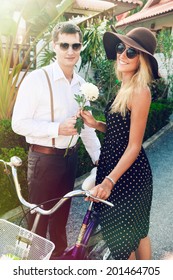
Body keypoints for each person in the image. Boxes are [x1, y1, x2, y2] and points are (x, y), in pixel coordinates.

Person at [12, 22, 101, 258]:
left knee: (61, 219)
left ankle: (59, 263)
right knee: (38, 221)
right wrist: (57, 128)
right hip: (43, 159)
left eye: (75, 45)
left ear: (81, 47)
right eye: (64, 45)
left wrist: (100, 160)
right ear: (55, 46)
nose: (70, 50)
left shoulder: (82, 85)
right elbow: (18, 123)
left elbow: (87, 129)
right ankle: (31, 266)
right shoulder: (36, 79)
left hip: (69, 160)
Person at [81, 27, 161, 260]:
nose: (122, 55)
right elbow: (120, 131)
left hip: (128, 176)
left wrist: (108, 181)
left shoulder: (139, 91)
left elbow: (134, 145)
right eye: (120, 48)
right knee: (135, 234)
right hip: (116, 170)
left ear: (142, 60)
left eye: (131, 52)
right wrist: (97, 124)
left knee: (123, 242)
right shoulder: (124, 88)